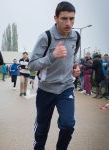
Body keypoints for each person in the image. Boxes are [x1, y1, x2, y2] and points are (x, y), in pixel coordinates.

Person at [28, 2, 80, 150]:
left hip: (66, 88)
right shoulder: (46, 37)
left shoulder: (76, 36)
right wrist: (52, 56)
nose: (68, 23)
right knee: (42, 130)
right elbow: (32, 65)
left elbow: (73, 57)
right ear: (55, 18)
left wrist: (75, 69)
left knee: (68, 125)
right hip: (46, 89)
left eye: (72, 18)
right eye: (64, 18)